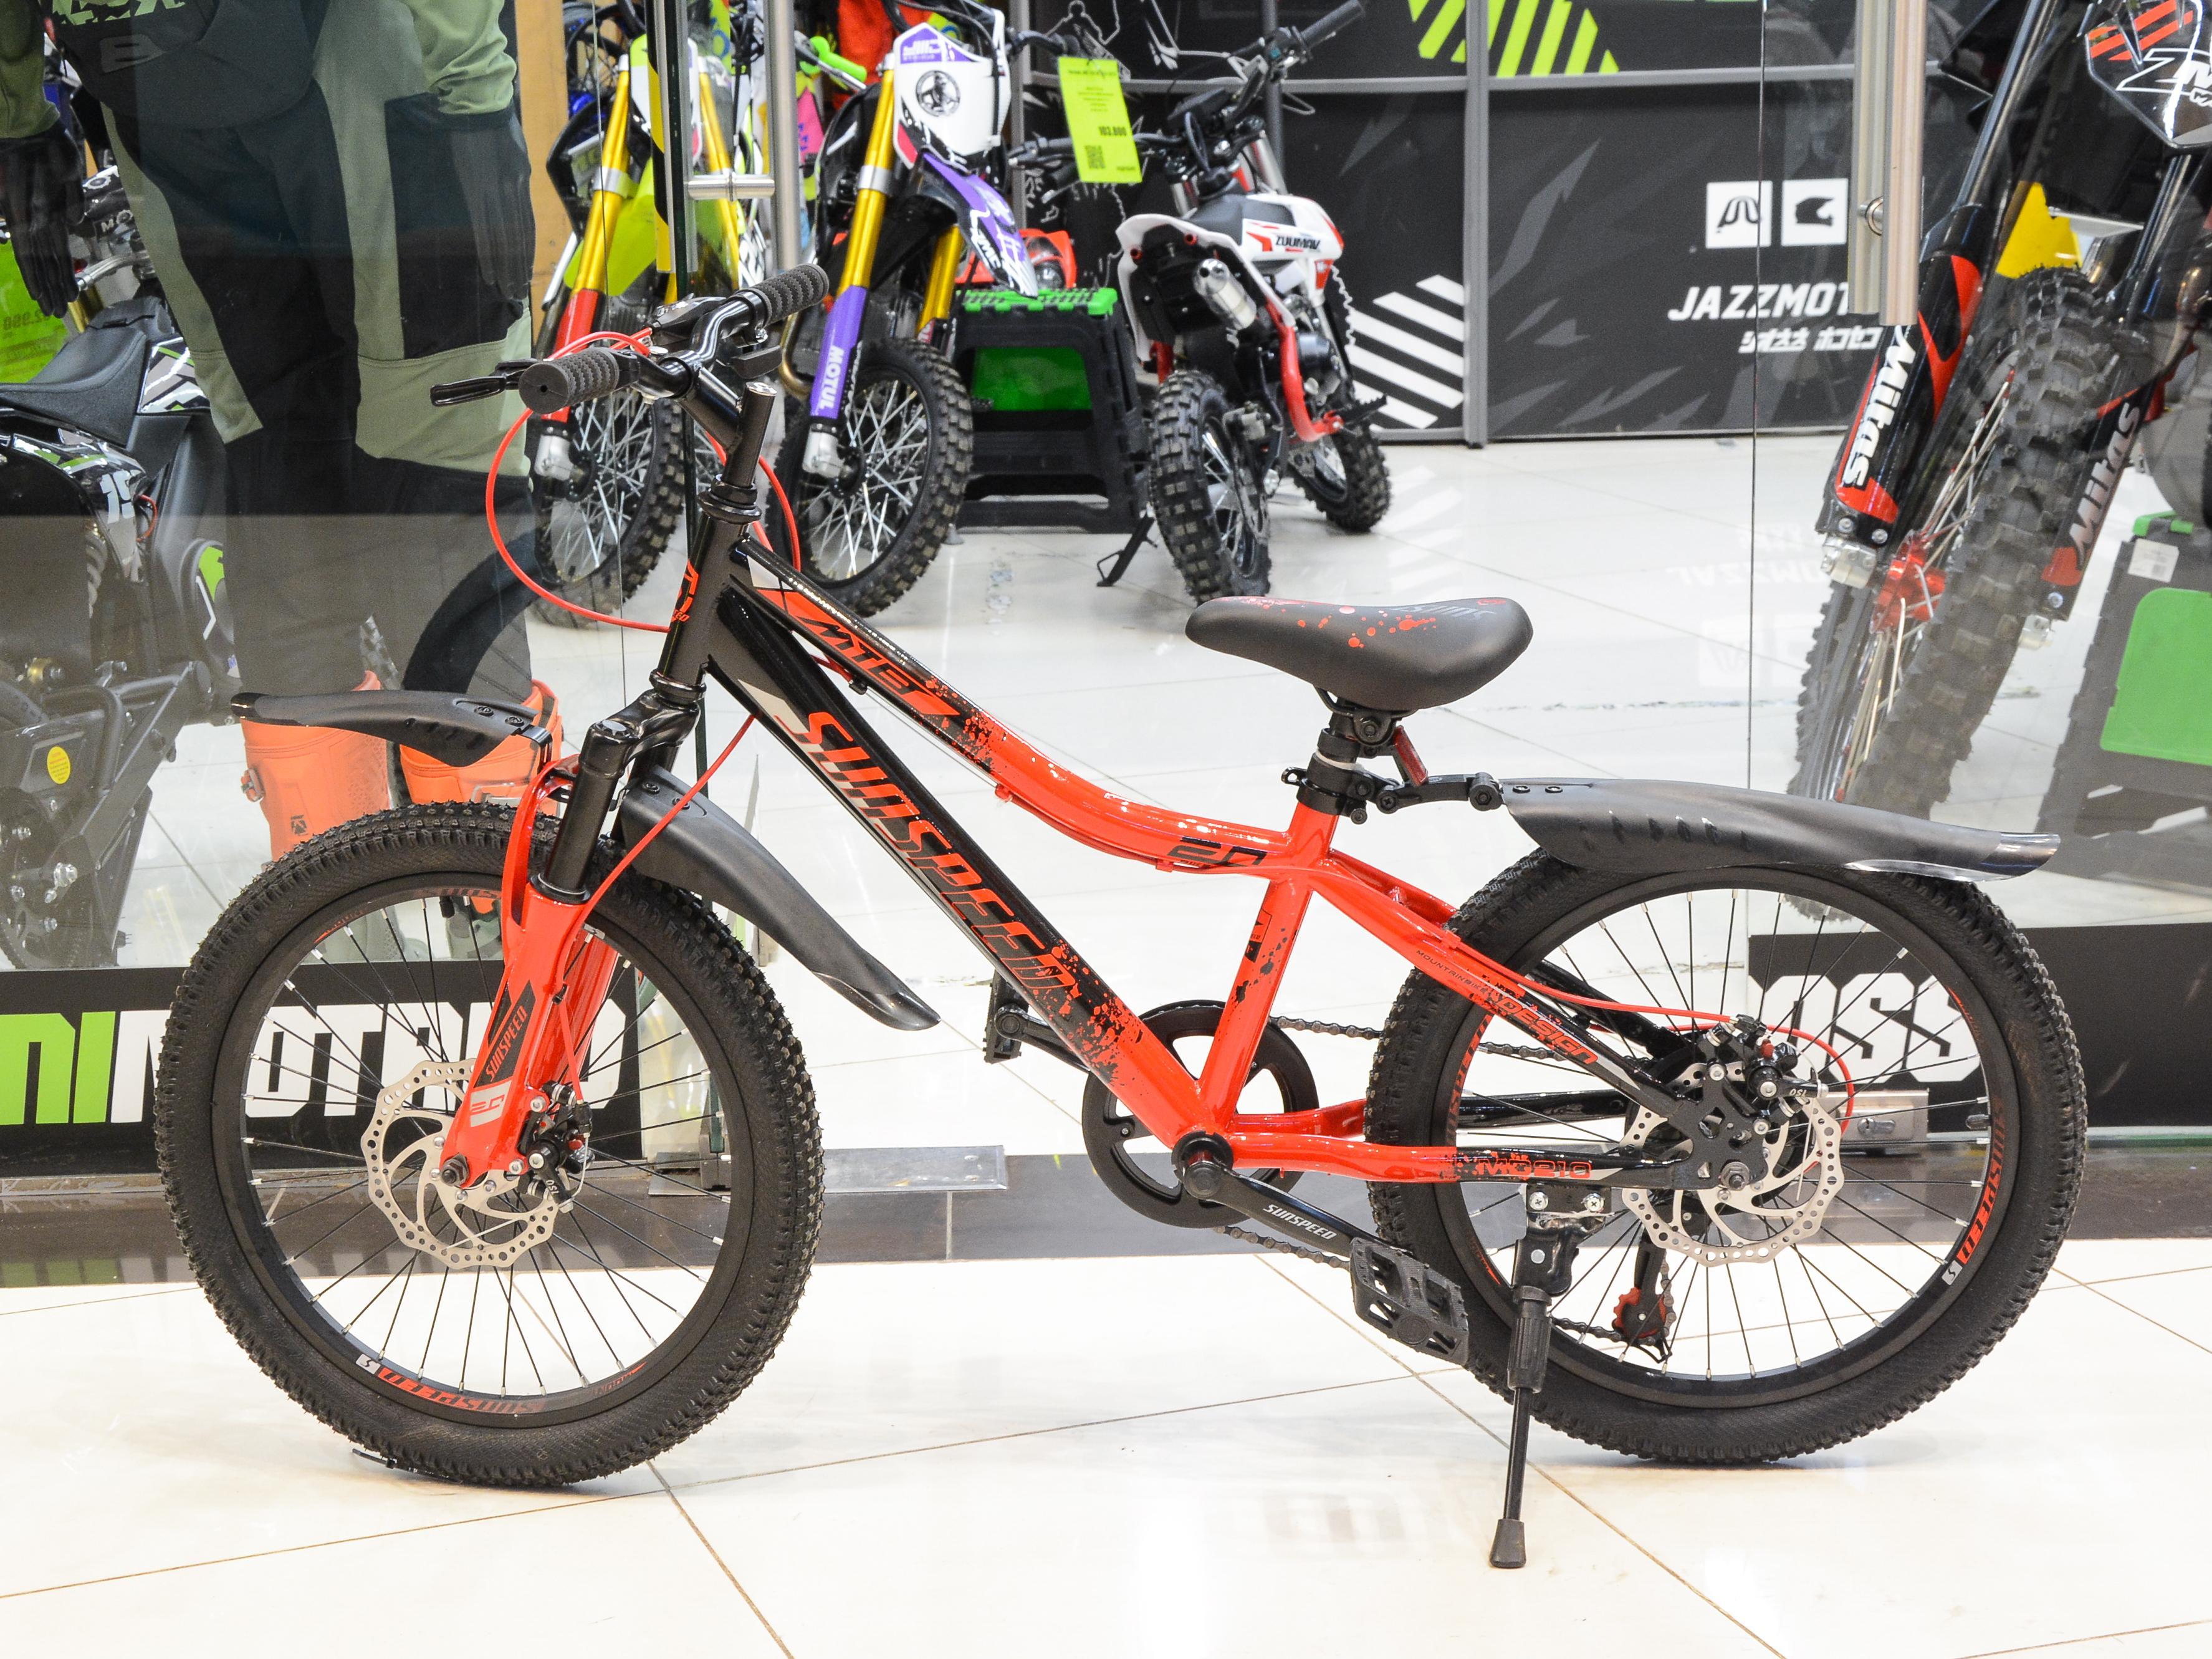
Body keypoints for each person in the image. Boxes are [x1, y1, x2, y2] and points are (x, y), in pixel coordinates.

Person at [0, 0, 561, 860]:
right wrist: (478, 98)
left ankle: (324, 912)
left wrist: (19, 118)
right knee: (438, 491)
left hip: (161, 106)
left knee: (280, 483)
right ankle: (498, 904)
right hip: (377, 76)